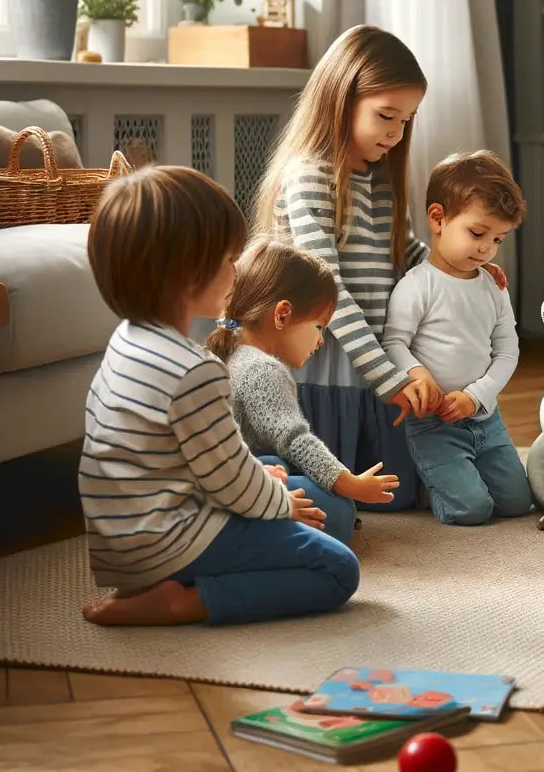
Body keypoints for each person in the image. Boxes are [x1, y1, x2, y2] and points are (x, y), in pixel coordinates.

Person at [79, 165, 359, 626]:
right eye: (229, 261)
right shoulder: (197, 370)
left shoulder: (124, 343)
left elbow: (165, 456)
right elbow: (231, 484)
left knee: (273, 476)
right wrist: (280, 502)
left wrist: (259, 477)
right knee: (337, 568)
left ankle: (169, 584)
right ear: (191, 274)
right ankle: (184, 602)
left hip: (121, 544)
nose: (236, 272)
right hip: (172, 544)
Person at [251, 25, 437, 512]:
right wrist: (389, 380)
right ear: (340, 99)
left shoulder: (377, 178)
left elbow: (404, 252)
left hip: (369, 367)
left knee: (405, 497)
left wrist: (458, 268)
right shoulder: (309, 177)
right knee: (335, 502)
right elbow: (332, 298)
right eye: (386, 116)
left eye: (407, 120)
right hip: (330, 372)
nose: (396, 134)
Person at [206, 236, 405, 547]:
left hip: (231, 478)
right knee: (338, 512)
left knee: (277, 462)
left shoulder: (232, 353)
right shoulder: (261, 369)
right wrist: (349, 483)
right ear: (282, 315)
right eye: (319, 327)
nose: (321, 341)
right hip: (232, 489)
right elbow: (296, 440)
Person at [382, 150, 533, 526]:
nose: (487, 248)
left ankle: (457, 475)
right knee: (472, 510)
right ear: (438, 218)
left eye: (498, 238)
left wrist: (477, 396)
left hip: (485, 418)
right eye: (478, 233)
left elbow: (508, 352)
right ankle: (433, 483)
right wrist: (417, 373)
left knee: (517, 503)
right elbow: (394, 343)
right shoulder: (417, 286)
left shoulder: (493, 287)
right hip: (434, 422)